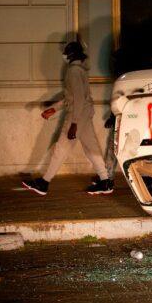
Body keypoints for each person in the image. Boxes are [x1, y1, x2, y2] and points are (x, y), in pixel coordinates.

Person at [22, 41, 113, 196]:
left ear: (70, 55)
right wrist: (54, 109)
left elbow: (77, 99)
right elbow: (72, 97)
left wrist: (74, 123)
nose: (63, 55)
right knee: (92, 149)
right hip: (84, 113)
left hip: (76, 116)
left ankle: (44, 183)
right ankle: (105, 181)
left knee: (61, 149)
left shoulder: (73, 71)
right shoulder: (79, 70)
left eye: (65, 52)